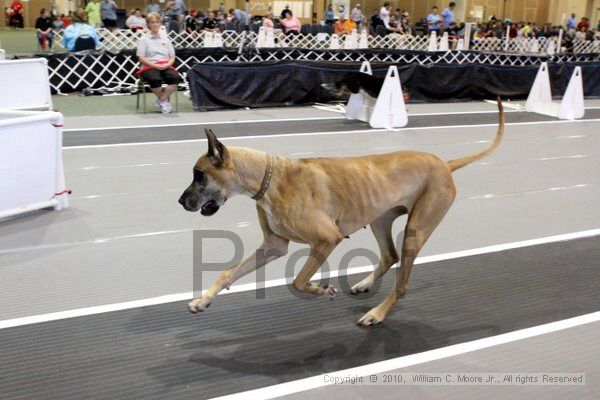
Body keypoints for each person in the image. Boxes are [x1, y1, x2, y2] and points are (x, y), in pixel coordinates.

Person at [136, 12, 179, 114]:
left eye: (157, 22)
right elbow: (140, 57)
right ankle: (164, 102)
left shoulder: (166, 39)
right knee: (154, 79)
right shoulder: (144, 40)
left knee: (175, 78)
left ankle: (161, 100)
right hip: (149, 66)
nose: (155, 24)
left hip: (165, 65)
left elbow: (172, 56)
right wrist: (154, 65)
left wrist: (168, 64)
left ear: (160, 23)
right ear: (148, 25)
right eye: (152, 22)